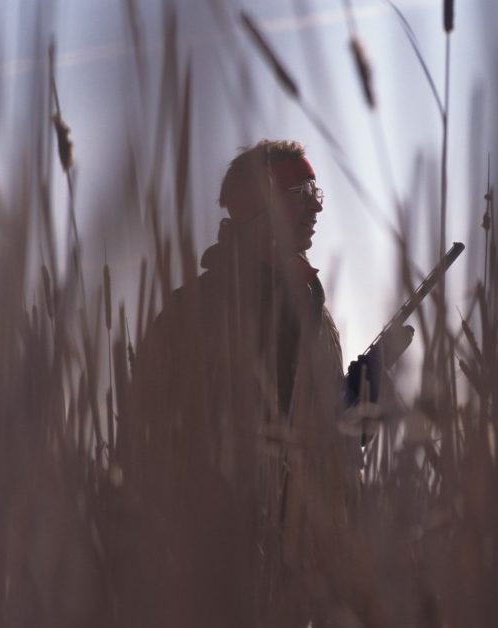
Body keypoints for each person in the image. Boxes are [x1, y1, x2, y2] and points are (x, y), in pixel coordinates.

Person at [119, 140, 387, 627]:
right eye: (301, 192)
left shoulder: (318, 319)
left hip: (296, 582)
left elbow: (326, 449)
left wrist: (361, 400)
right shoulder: (193, 315)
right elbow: (143, 440)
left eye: (316, 190)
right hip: (213, 578)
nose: (317, 205)